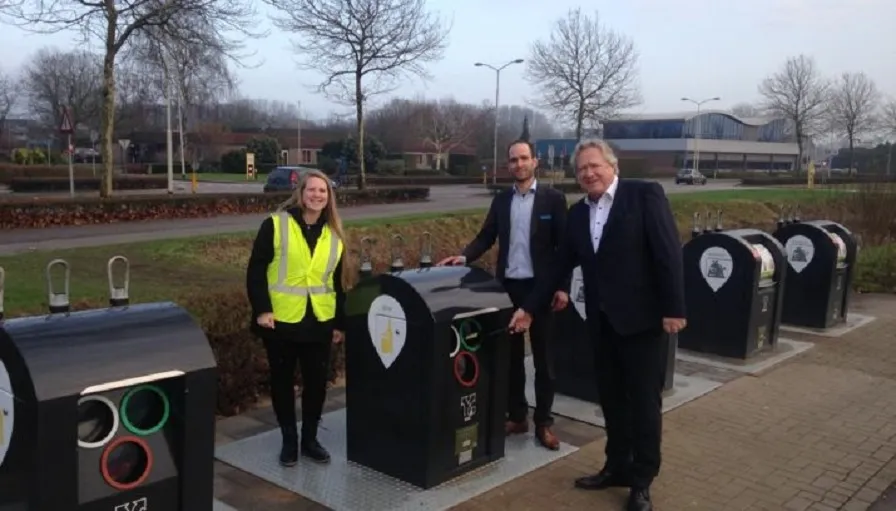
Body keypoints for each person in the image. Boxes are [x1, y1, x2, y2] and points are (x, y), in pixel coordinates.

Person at [509, 139, 686, 511]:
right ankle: (617, 466)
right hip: (602, 326)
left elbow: (667, 253)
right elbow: (558, 267)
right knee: (612, 402)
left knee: (643, 405)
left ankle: (642, 480)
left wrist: (674, 308)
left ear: (612, 165)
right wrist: (528, 308)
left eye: (595, 166)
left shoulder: (644, 196)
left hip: (640, 324)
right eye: (582, 170)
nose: (589, 174)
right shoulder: (577, 214)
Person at [438, 139, 568, 451]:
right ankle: (518, 415)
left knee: (544, 360)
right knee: (509, 358)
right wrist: (465, 257)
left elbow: (564, 248)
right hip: (508, 289)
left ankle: (544, 423)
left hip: (543, 290)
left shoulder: (554, 199)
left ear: (535, 162)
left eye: (524, 158)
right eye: (513, 160)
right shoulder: (501, 201)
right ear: (508, 164)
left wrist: (562, 286)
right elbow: (486, 236)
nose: (518, 164)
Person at [245, 169, 349, 468]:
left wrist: (339, 323)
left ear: (329, 197)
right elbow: (256, 270)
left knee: (317, 383)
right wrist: (262, 309)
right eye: (312, 190)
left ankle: (310, 439)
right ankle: (289, 439)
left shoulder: (334, 234)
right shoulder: (276, 225)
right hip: (280, 320)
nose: (317, 195)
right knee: (282, 381)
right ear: (301, 193)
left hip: (319, 320)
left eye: (323, 191)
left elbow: (338, 283)